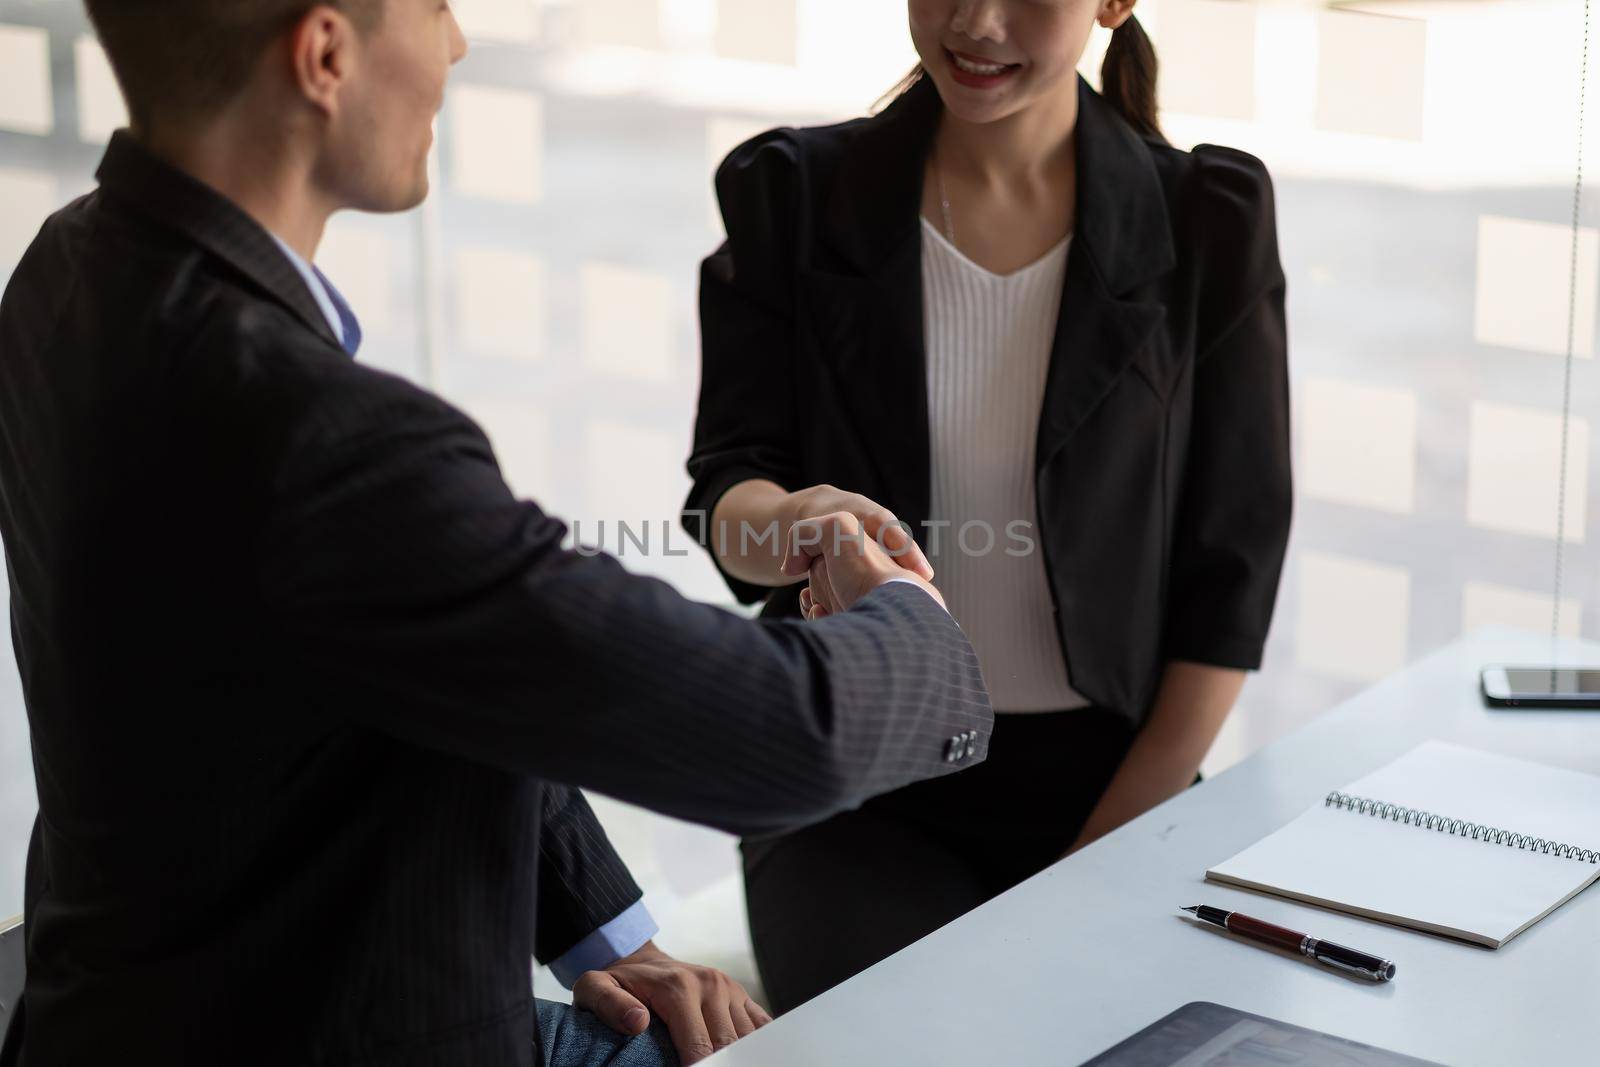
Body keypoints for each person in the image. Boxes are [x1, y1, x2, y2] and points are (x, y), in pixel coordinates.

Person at [0, 2, 994, 1065]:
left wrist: (609, 935)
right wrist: (912, 617)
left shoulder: (69, 275)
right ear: (325, 54)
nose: (458, 44)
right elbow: (781, 736)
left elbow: (461, 654)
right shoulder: (325, 441)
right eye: (434, 8)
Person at [684, 0, 1293, 1013]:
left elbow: (1229, 573)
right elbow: (726, 488)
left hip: (1121, 781)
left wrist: (1104, 856)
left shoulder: (1208, 217)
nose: (973, 20)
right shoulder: (789, 192)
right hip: (852, 781)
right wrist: (798, 521)